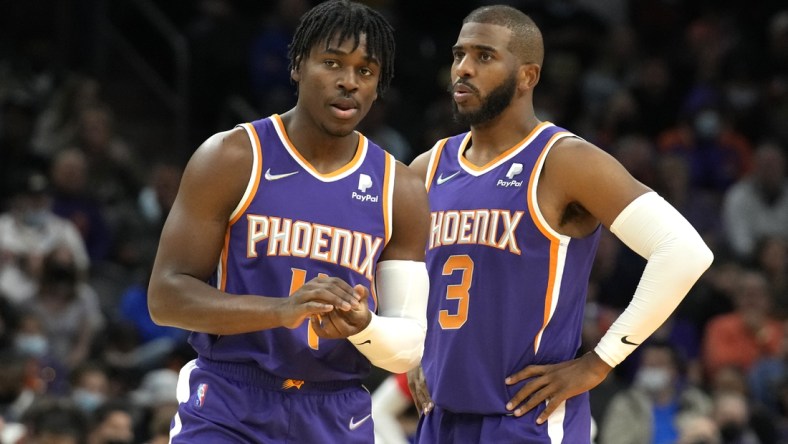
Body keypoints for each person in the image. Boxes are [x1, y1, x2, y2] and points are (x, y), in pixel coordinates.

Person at [406, 5, 713, 443]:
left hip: (526, 421)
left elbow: (683, 250)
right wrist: (412, 350)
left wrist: (599, 361)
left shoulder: (564, 160)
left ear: (528, 76)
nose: (464, 69)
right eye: (459, 55)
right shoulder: (427, 167)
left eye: (484, 56)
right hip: (441, 418)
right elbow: (399, 270)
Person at [146, 1, 430, 442]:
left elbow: (408, 346)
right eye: (332, 63)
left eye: (366, 71)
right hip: (229, 401)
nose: (348, 82)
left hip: (336, 408)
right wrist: (280, 311)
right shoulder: (233, 157)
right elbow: (165, 297)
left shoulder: (401, 189)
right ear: (297, 65)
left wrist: (365, 326)